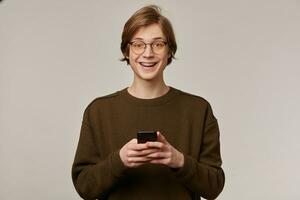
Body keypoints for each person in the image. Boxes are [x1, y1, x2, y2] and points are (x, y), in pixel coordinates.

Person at [72, 5, 225, 200]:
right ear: (126, 51)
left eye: (158, 44)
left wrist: (179, 160)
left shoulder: (198, 110)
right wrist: (119, 160)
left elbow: (214, 188)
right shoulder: (99, 111)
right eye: (138, 44)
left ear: (170, 51)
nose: (148, 53)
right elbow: (85, 187)